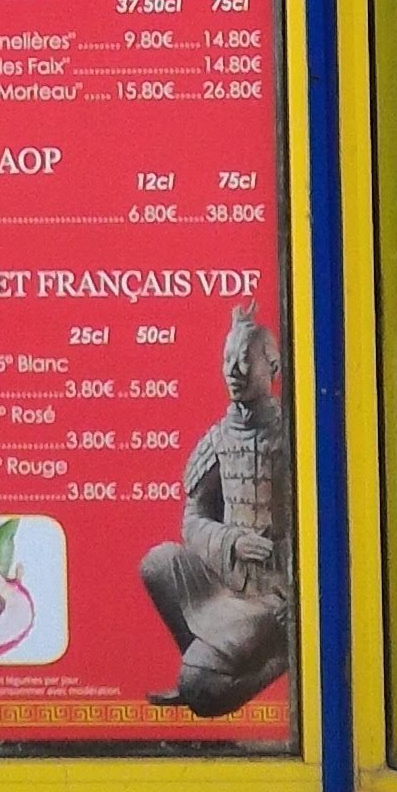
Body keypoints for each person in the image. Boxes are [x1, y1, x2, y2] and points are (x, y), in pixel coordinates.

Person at [141, 301, 291, 716]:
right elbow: (193, 516)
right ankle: (204, 651)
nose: (234, 372)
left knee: (198, 687)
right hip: (226, 577)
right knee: (158, 562)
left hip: (273, 593)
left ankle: (277, 657)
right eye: (228, 361)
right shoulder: (219, 438)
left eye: (244, 361)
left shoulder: (293, 436)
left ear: (272, 367)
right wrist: (231, 541)